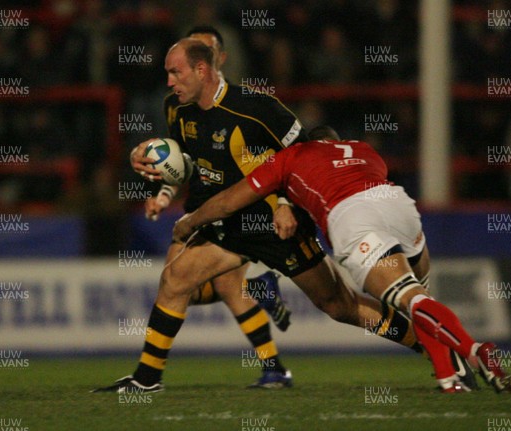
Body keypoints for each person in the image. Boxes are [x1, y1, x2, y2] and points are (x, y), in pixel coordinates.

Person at [93, 38, 425, 394]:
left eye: (175, 72)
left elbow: (308, 149)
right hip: (227, 221)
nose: (170, 81)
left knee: (338, 305)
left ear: (201, 70)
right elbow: (189, 165)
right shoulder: (176, 109)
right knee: (175, 279)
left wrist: (285, 203)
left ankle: (428, 344)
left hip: (275, 225)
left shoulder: (254, 106)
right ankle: (146, 379)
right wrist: (151, 168)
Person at [173, 126, 511, 393]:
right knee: (420, 301)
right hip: (398, 205)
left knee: (410, 301)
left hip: (352, 216)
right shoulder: (364, 150)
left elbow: (231, 199)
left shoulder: (291, 156)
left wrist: (192, 219)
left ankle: (475, 350)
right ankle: (450, 376)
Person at [151, 25, 293, 331]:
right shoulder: (176, 105)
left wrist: (282, 199)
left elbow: (290, 148)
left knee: (215, 286)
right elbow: (181, 159)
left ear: (218, 59)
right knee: (177, 285)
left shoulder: (243, 105)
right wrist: (163, 192)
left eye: (208, 51)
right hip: (200, 203)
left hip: (238, 205)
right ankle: (262, 294)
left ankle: (274, 369)